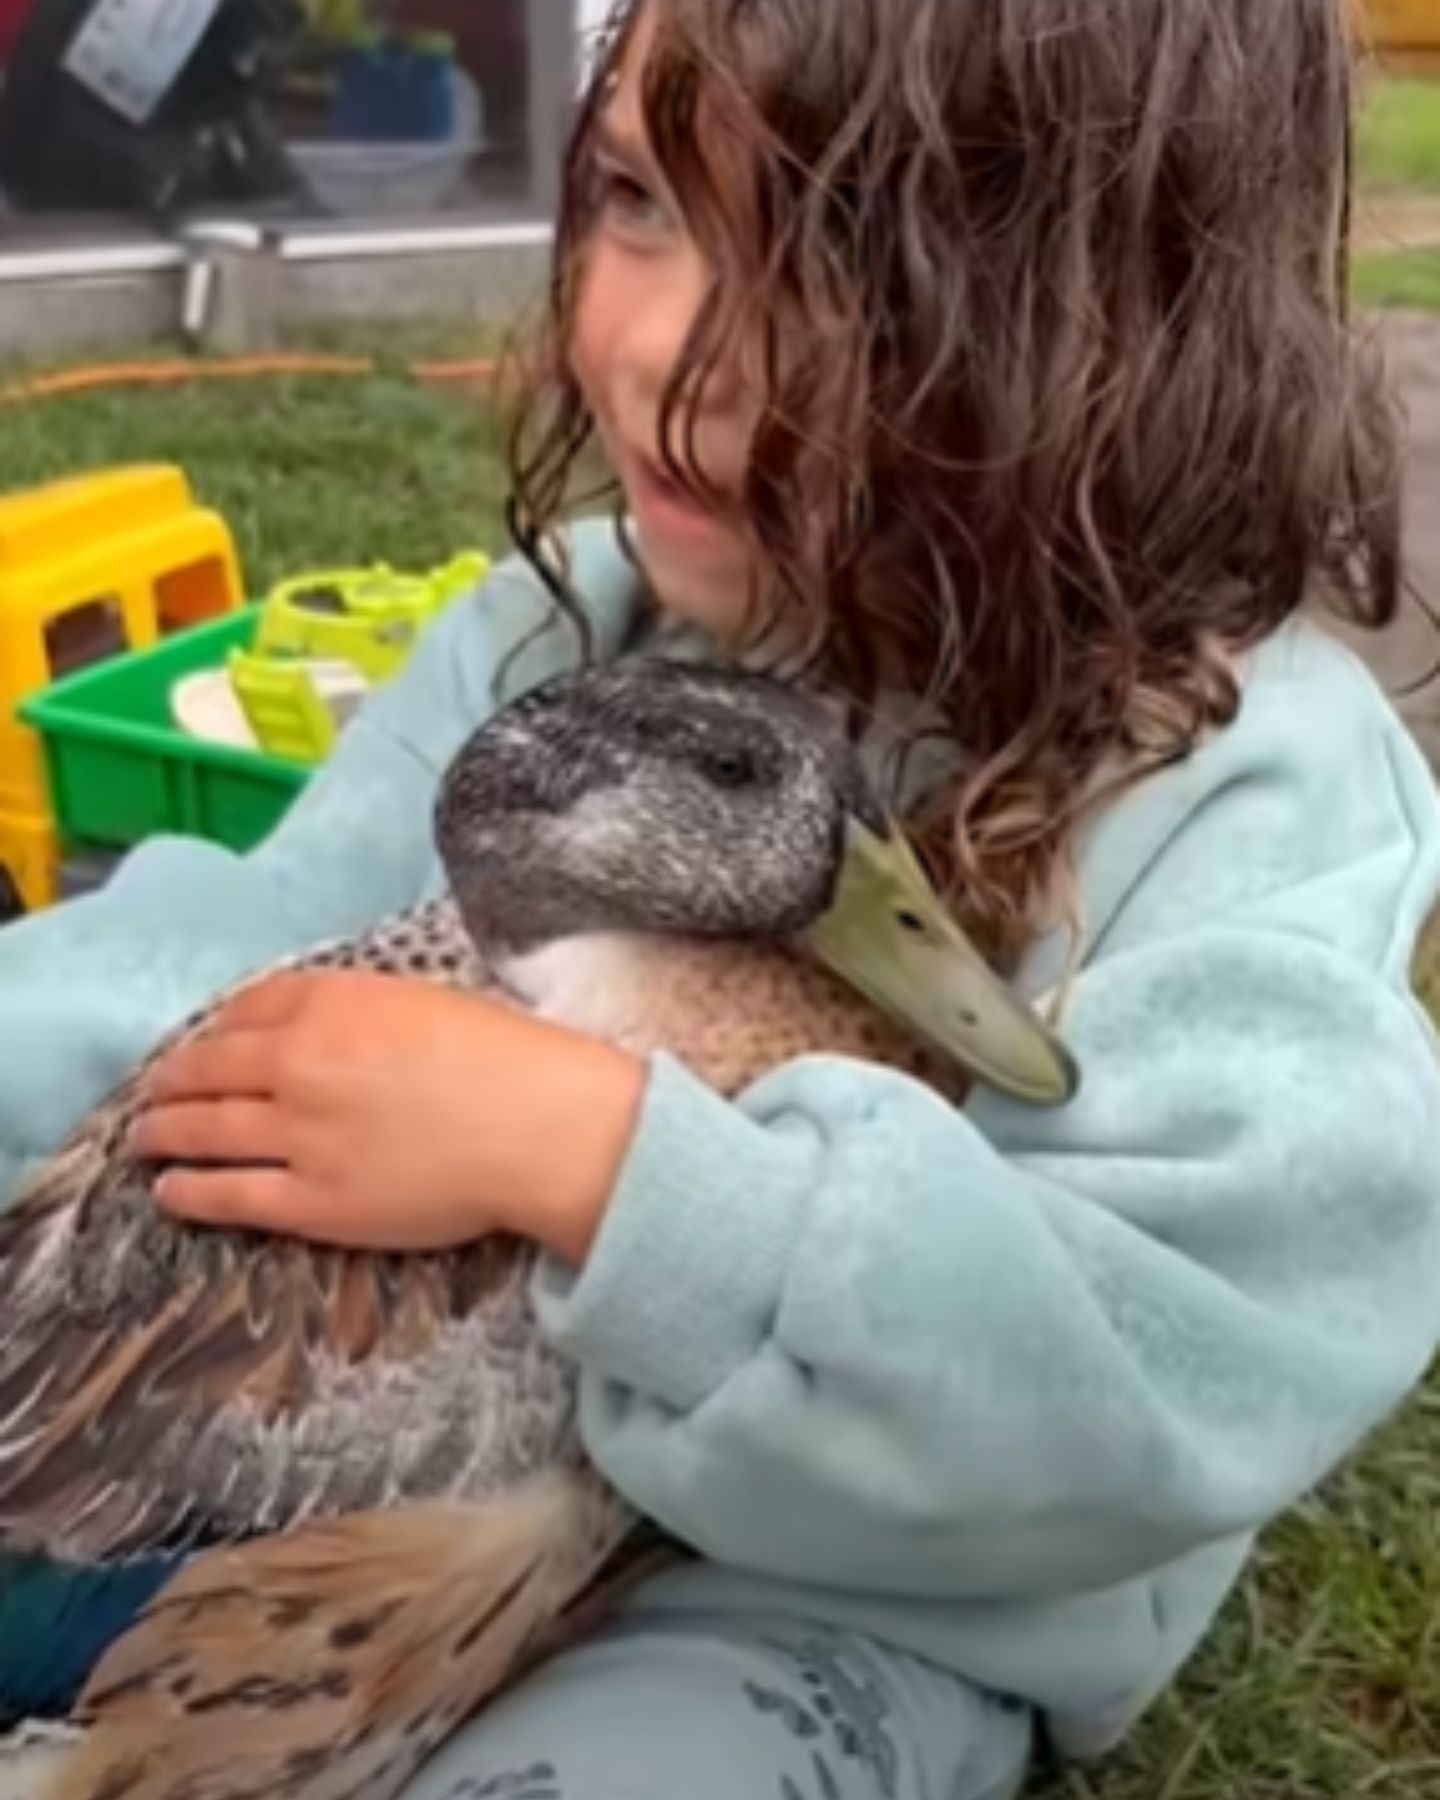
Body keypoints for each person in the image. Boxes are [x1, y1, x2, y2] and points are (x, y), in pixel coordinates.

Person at [3, 2, 1439, 1796]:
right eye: (636, 197)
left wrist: (612, 1170)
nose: (669, 341)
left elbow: (1176, 1357)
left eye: (841, 254)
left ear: (1128, 316)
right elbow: (225, 958)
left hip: (852, 1588)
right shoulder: (566, 632)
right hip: (421, 1514)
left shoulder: (1242, 782)